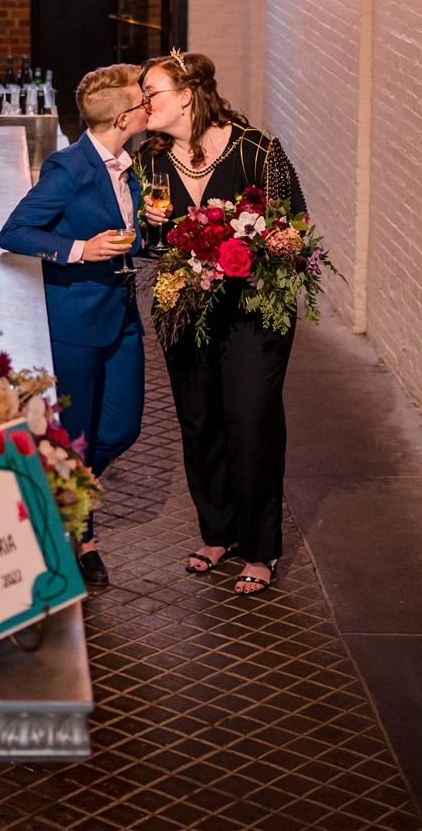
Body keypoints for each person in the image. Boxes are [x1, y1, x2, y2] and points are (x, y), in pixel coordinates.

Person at [136, 50, 303, 596]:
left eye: (151, 93)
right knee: (199, 419)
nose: (144, 103)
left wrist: (278, 240)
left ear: (186, 96)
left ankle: (260, 548)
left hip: (253, 309)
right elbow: (142, 242)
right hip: (184, 307)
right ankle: (219, 531)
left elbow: (296, 226)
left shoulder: (258, 151)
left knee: (251, 420)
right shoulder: (152, 161)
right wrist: (147, 223)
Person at [0, 64, 148, 588]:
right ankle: (82, 538)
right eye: (142, 102)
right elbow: (14, 232)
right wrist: (81, 249)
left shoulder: (131, 166)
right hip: (76, 321)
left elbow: (133, 230)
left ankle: (59, 497)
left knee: (122, 427)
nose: (148, 107)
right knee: (77, 435)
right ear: (125, 116)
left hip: (123, 315)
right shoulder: (68, 168)